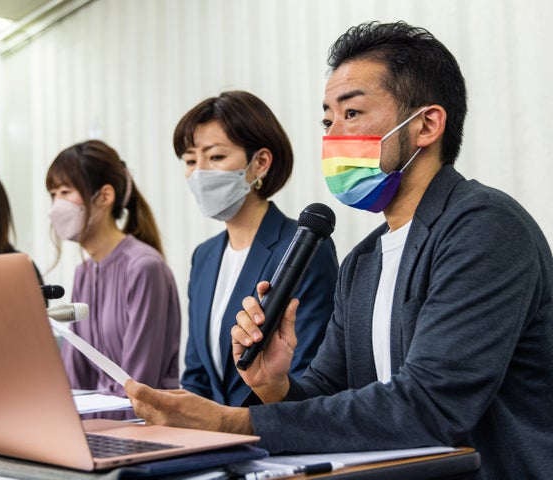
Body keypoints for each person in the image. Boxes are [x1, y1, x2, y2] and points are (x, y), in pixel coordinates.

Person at [125, 21, 553, 479]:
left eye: (351, 114)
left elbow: (430, 406)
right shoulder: (364, 259)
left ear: (427, 124)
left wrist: (237, 422)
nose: (332, 136)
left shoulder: (484, 227)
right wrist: (276, 385)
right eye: (327, 120)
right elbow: (328, 392)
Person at [174, 91, 338, 406]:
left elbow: (309, 371)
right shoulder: (204, 256)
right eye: (191, 160)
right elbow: (197, 374)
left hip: (274, 434)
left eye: (216, 157)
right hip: (214, 442)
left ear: (260, 162)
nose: (199, 173)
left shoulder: (303, 247)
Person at [46, 139, 180, 397]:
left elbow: (138, 389)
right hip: (101, 427)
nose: (55, 206)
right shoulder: (83, 273)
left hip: (144, 427)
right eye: (53, 195)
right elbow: (75, 377)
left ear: (104, 196)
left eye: (64, 192)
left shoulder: (144, 267)